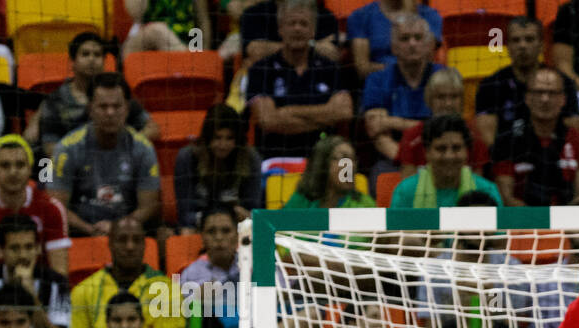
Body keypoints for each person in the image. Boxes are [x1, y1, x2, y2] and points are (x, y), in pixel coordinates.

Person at [50, 74, 161, 235]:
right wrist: (89, 229)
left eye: (117, 106)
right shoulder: (66, 149)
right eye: (103, 106)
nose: (110, 113)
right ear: (90, 109)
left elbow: (148, 207)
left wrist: (117, 228)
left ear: (127, 109)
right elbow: (56, 206)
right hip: (80, 235)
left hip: (128, 234)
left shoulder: (143, 149)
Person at [24, 32, 161, 158]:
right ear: (72, 62)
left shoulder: (116, 93)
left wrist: (124, 147)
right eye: (85, 54)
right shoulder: (56, 100)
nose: (92, 59)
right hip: (72, 169)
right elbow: (50, 149)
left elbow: (153, 129)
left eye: (97, 55)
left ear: (103, 61)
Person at [246, 0, 353, 161]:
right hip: (274, 157)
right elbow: (268, 120)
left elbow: (344, 112)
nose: (297, 28)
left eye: (304, 24)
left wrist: (287, 112)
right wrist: (325, 114)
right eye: (291, 23)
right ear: (280, 29)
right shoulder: (261, 69)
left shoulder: (330, 68)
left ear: (313, 31)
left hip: (323, 158)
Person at [68, 217, 183, 328]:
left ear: (144, 245)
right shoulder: (83, 291)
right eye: (122, 240)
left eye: (136, 240)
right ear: (110, 244)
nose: (130, 247)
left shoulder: (168, 289)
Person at [472, 16, 579, 154]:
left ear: (542, 45)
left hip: (554, 158)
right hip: (506, 161)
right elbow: (488, 140)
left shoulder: (563, 83)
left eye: (529, 39)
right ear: (508, 46)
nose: (522, 46)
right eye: (516, 40)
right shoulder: (491, 85)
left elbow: (574, 131)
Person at [491, 67, 579, 207]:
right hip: (522, 223)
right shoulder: (507, 141)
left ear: (563, 99)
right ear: (527, 97)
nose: (545, 99)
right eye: (539, 92)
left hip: (569, 225)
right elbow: (507, 199)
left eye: (552, 93)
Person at [362, 12, 439, 166]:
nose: (412, 44)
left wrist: (391, 121)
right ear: (393, 47)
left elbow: (447, 129)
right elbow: (376, 131)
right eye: (405, 38)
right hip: (394, 158)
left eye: (418, 38)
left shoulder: (443, 77)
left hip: (440, 158)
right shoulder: (377, 80)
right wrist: (407, 161)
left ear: (429, 45)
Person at [174, 105, 263, 234]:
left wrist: (243, 215)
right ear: (207, 138)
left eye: (229, 138)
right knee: (186, 232)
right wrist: (212, 220)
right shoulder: (187, 157)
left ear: (237, 139)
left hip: (236, 228)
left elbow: (253, 213)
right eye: (217, 137)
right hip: (197, 227)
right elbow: (185, 215)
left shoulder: (251, 158)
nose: (223, 145)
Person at [394, 70, 491, 181]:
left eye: (454, 97)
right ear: (429, 100)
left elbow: (477, 185)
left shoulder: (475, 136)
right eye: (441, 97)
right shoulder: (412, 136)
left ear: (462, 100)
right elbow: (408, 186)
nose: (448, 104)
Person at [390, 115, 502, 208]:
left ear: (467, 152)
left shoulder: (487, 190)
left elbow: (499, 234)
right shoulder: (405, 192)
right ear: (427, 152)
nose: (449, 156)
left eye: (456, 148)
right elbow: (396, 234)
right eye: (441, 148)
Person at [0, 136, 70, 276]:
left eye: (20, 165)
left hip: (42, 288)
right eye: (5, 165)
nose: (13, 172)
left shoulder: (51, 208)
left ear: (30, 169)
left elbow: (60, 273)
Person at [180, 206, 241, 328]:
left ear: (237, 234)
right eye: (211, 231)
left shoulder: (257, 264)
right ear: (202, 237)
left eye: (226, 230)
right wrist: (197, 298)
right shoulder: (191, 274)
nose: (219, 237)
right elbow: (184, 321)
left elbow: (285, 297)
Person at [0, 216, 71, 328]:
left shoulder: (57, 283)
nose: (23, 255)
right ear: (0, 251)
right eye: (15, 248)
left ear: (38, 248)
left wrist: (31, 294)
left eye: (29, 247)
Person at [348, 0, 442, 79]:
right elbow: (363, 69)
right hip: (379, 84)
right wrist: (403, 69)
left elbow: (424, 62)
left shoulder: (430, 15)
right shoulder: (361, 16)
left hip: (420, 85)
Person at [241, 0, 341, 67]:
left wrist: (272, 48)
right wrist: (313, 45)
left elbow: (332, 54)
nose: (297, 28)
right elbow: (256, 51)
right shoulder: (254, 14)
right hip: (266, 80)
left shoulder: (325, 16)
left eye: (303, 24)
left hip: (315, 80)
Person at [283, 137, 375, 210]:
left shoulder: (365, 205)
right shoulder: (301, 201)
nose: (351, 165)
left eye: (353, 159)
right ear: (323, 164)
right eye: (344, 158)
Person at [121, 0, 213, 55]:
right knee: (158, 31)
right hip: (141, 42)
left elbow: (203, 21)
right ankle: (188, 62)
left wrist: (204, 53)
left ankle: (192, 63)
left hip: (183, 44)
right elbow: (135, 13)